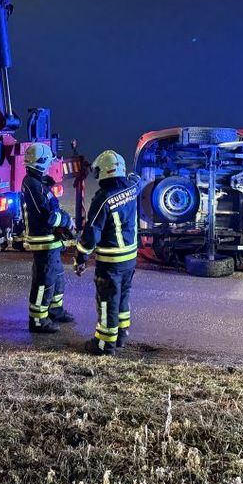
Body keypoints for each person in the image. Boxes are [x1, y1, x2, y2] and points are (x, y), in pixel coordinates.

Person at [75, 150, 142, 355]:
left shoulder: (102, 199)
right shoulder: (132, 188)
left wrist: (81, 257)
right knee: (122, 297)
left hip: (110, 261)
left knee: (107, 301)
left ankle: (104, 344)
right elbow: (136, 179)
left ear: (104, 173)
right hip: (130, 259)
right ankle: (121, 335)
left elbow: (91, 234)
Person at [21, 142, 75, 333]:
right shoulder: (32, 184)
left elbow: (51, 209)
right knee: (44, 280)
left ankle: (55, 310)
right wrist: (67, 221)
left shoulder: (39, 182)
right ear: (42, 162)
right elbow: (48, 216)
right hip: (42, 240)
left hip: (50, 239)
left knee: (57, 275)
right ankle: (37, 319)